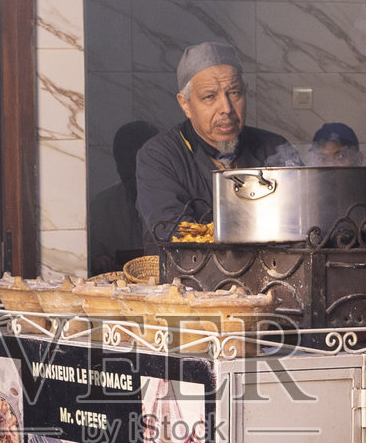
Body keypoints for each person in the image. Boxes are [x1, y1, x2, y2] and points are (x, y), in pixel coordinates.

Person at [134, 41, 293, 243]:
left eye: (234, 93)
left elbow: (303, 222)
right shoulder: (159, 156)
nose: (226, 108)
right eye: (209, 96)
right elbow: (176, 234)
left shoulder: (274, 147)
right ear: (185, 104)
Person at [88, 119, 160, 273]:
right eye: (127, 176)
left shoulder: (181, 199)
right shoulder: (102, 205)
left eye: (139, 174)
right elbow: (90, 255)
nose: (135, 183)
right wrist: (97, 260)